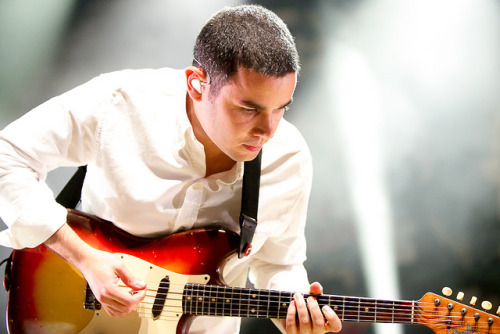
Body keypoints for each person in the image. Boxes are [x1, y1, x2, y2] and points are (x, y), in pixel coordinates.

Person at [0, 4, 341, 334]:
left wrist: (297, 314)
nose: (268, 130)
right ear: (196, 84)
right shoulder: (120, 102)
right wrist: (85, 260)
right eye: (248, 109)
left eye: (281, 108)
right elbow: (6, 156)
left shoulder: (289, 157)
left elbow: (279, 264)